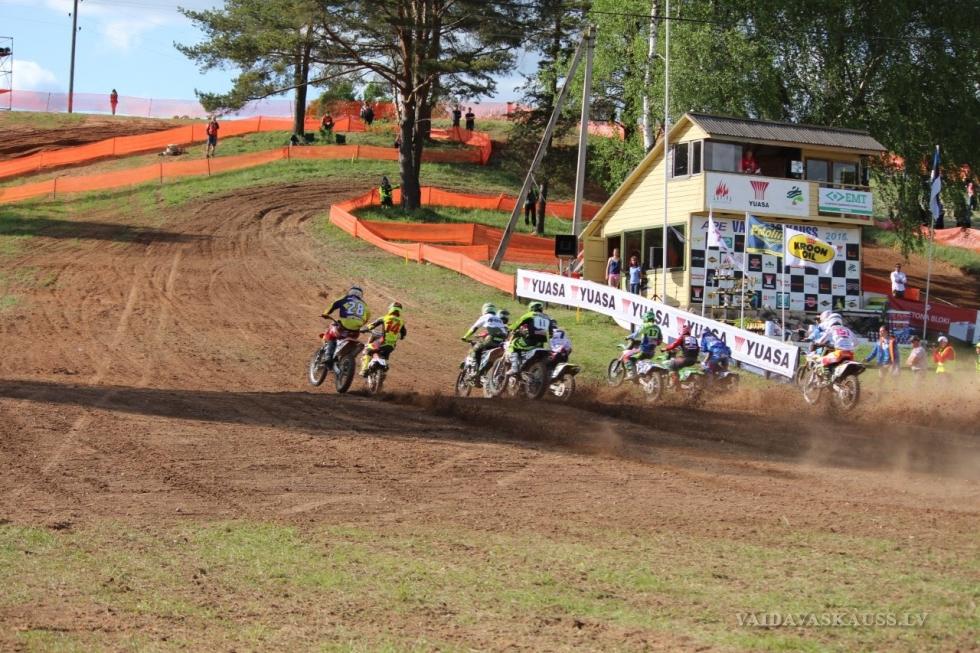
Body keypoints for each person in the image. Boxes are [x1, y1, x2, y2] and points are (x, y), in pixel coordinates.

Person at [320, 285, 370, 365]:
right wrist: (359, 323)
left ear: (350, 292)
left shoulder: (345, 299)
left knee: (332, 329)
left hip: (344, 326)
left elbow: (333, 304)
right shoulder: (364, 305)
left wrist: (325, 313)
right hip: (356, 330)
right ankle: (343, 358)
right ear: (361, 295)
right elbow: (367, 317)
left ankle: (328, 356)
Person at [506, 301, 553, 377]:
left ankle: (514, 367)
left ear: (531, 308)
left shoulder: (530, 314)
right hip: (541, 343)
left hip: (530, 340)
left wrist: (510, 328)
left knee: (513, 344)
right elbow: (551, 332)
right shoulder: (547, 317)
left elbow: (518, 323)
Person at [360, 302, 407, 376]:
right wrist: (398, 336)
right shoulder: (401, 322)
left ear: (390, 309)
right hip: (391, 346)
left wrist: (362, 329)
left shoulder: (384, 318)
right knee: (385, 355)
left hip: (382, 342)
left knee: (367, 349)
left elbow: (371, 326)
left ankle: (364, 370)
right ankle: (383, 370)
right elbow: (403, 335)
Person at [461, 302, 508, 374]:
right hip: (501, 341)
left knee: (477, 349)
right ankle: (484, 372)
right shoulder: (499, 319)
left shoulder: (485, 316)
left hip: (491, 338)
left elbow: (474, 328)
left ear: (484, 310)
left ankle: (476, 370)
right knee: (491, 356)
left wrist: (465, 336)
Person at [811, 313, 856, 379]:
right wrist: (850, 346)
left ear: (830, 320)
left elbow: (822, 340)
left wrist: (816, 342)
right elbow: (856, 342)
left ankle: (827, 378)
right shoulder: (847, 329)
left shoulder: (831, 329)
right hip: (850, 353)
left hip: (839, 353)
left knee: (822, 360)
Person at [621, 310, 663, 379]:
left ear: (646, 318)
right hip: (651, 353)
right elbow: (660, 341)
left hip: (642, 350)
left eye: (644, 318)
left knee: (626, 357)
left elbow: (636, 334)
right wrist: (652, 341)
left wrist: (628, 337)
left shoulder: (645, 325)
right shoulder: (657, 328)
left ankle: (631, 374)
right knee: (637, 360)